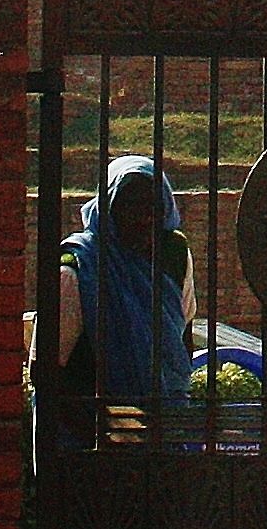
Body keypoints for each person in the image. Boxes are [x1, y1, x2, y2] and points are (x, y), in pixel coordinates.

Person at [51, 155, 192, 421]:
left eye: (153, 208)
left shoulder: (174, 255)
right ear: (109, 210)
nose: (144, 219)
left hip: (164, 421)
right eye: (131, 207)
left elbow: (183, 334)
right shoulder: (78, 267)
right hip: (85, 431)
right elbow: (46, 369)